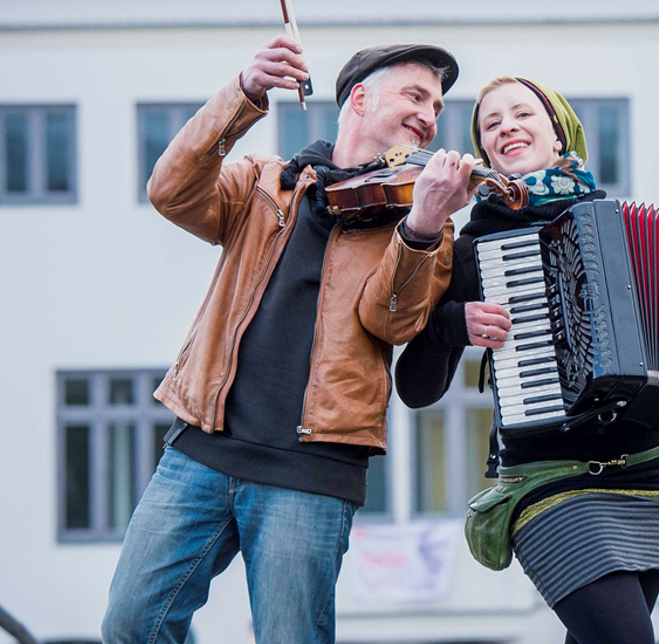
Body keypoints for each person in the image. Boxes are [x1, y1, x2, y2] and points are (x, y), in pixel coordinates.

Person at [102, 36, 478, 644]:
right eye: (415, 95)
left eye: (436, 106)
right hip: (202, 447)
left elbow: (392, 321)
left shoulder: (421, 223)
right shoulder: (263, 184)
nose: (429, 116)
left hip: (312, 467)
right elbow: (171, 191)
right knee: (131, 625)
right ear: (359, 98)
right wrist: (244, 94)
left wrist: (424, 226)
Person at [395, 76, 659, 644]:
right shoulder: (472, 246)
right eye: (490, 124)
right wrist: (457, 324)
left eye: (522, 113)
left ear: (558, 133)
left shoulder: (611, 225)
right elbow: (416, 389)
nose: (506, 127)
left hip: (647, 478)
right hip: (546, 481)